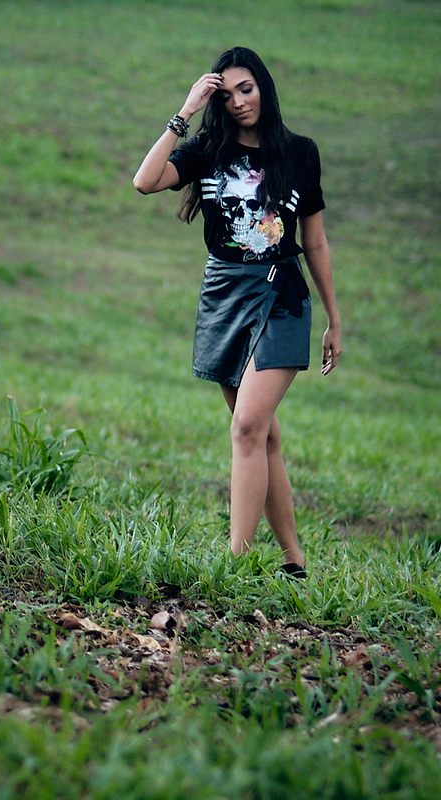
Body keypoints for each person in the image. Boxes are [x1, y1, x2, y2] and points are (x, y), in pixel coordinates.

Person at [132, 47, 341, 578]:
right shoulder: (207, 150)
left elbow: (315, 241)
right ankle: (294, 561)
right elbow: (145, 181)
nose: (239, 102)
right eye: (225, 95)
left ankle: (235, 566)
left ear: (264, 87)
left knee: (248, 426)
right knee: (262, 435)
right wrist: (185, 111)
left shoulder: (300, 152)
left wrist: (335, 320)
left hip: (281, 295)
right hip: (224, 296)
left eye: (246, 89)